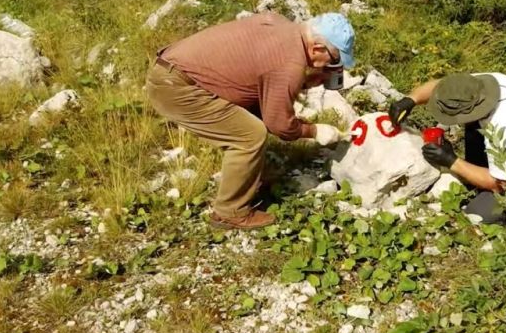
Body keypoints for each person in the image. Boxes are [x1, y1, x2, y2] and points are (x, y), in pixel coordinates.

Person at [146, 12, 355, 230]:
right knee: (250, 136)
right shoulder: (289, 64)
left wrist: (302, 81)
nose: (330, 66)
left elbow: (261, 73)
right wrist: (314, 131)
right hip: (175, 88)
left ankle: (249, 178)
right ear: (317, 49)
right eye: (334, 60)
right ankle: (229, 212)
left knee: (253, 117)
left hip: (171, 68)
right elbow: (279, 125)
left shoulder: (280, 25)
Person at [389, 72, 506, 223]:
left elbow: (501, 184)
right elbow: (444, 86)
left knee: (476, 216)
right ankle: (477, 177)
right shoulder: (484, 84)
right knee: (474, 126)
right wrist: (411, 99)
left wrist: (451, 161)